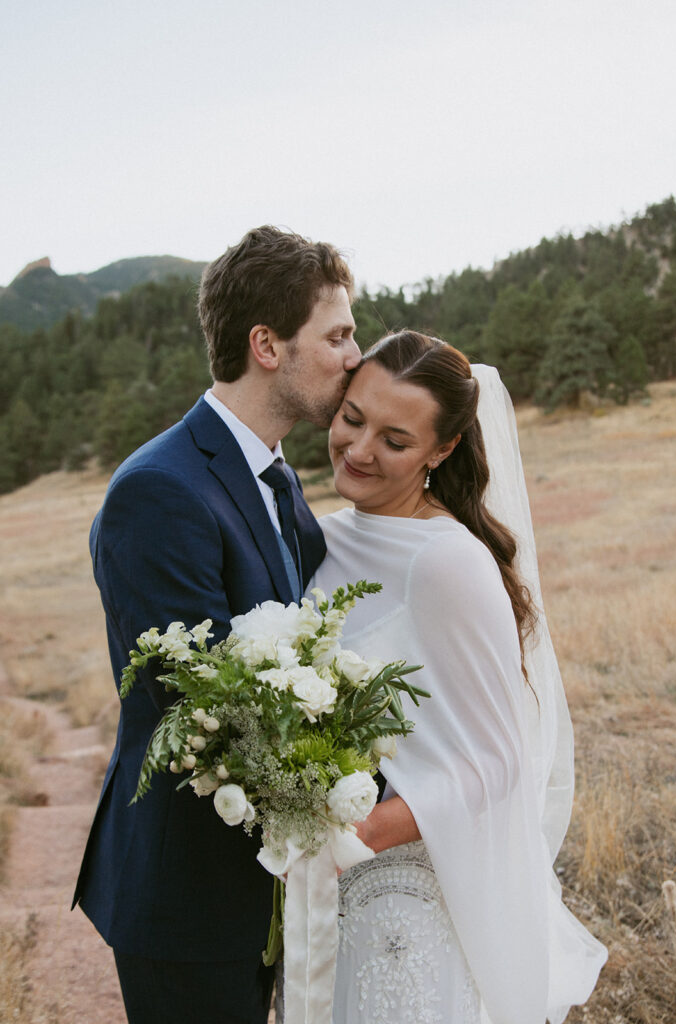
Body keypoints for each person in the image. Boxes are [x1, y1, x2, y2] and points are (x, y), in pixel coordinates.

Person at [72, 225, 361, 1024]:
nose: (352, 356)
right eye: (336, 335)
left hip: (263, 881)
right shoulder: (159, 490)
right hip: (187, 895)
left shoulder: (274, 476)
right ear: (266, 344)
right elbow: (198, 706)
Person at [312, 331, 607, 1024]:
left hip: (405, 894)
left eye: (394, 439)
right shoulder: (324, 535)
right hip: (324, 894)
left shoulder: (447, 561)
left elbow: (500, 759)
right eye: (352, 418)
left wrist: (354, 837)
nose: (358, 451)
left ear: (440, 451)